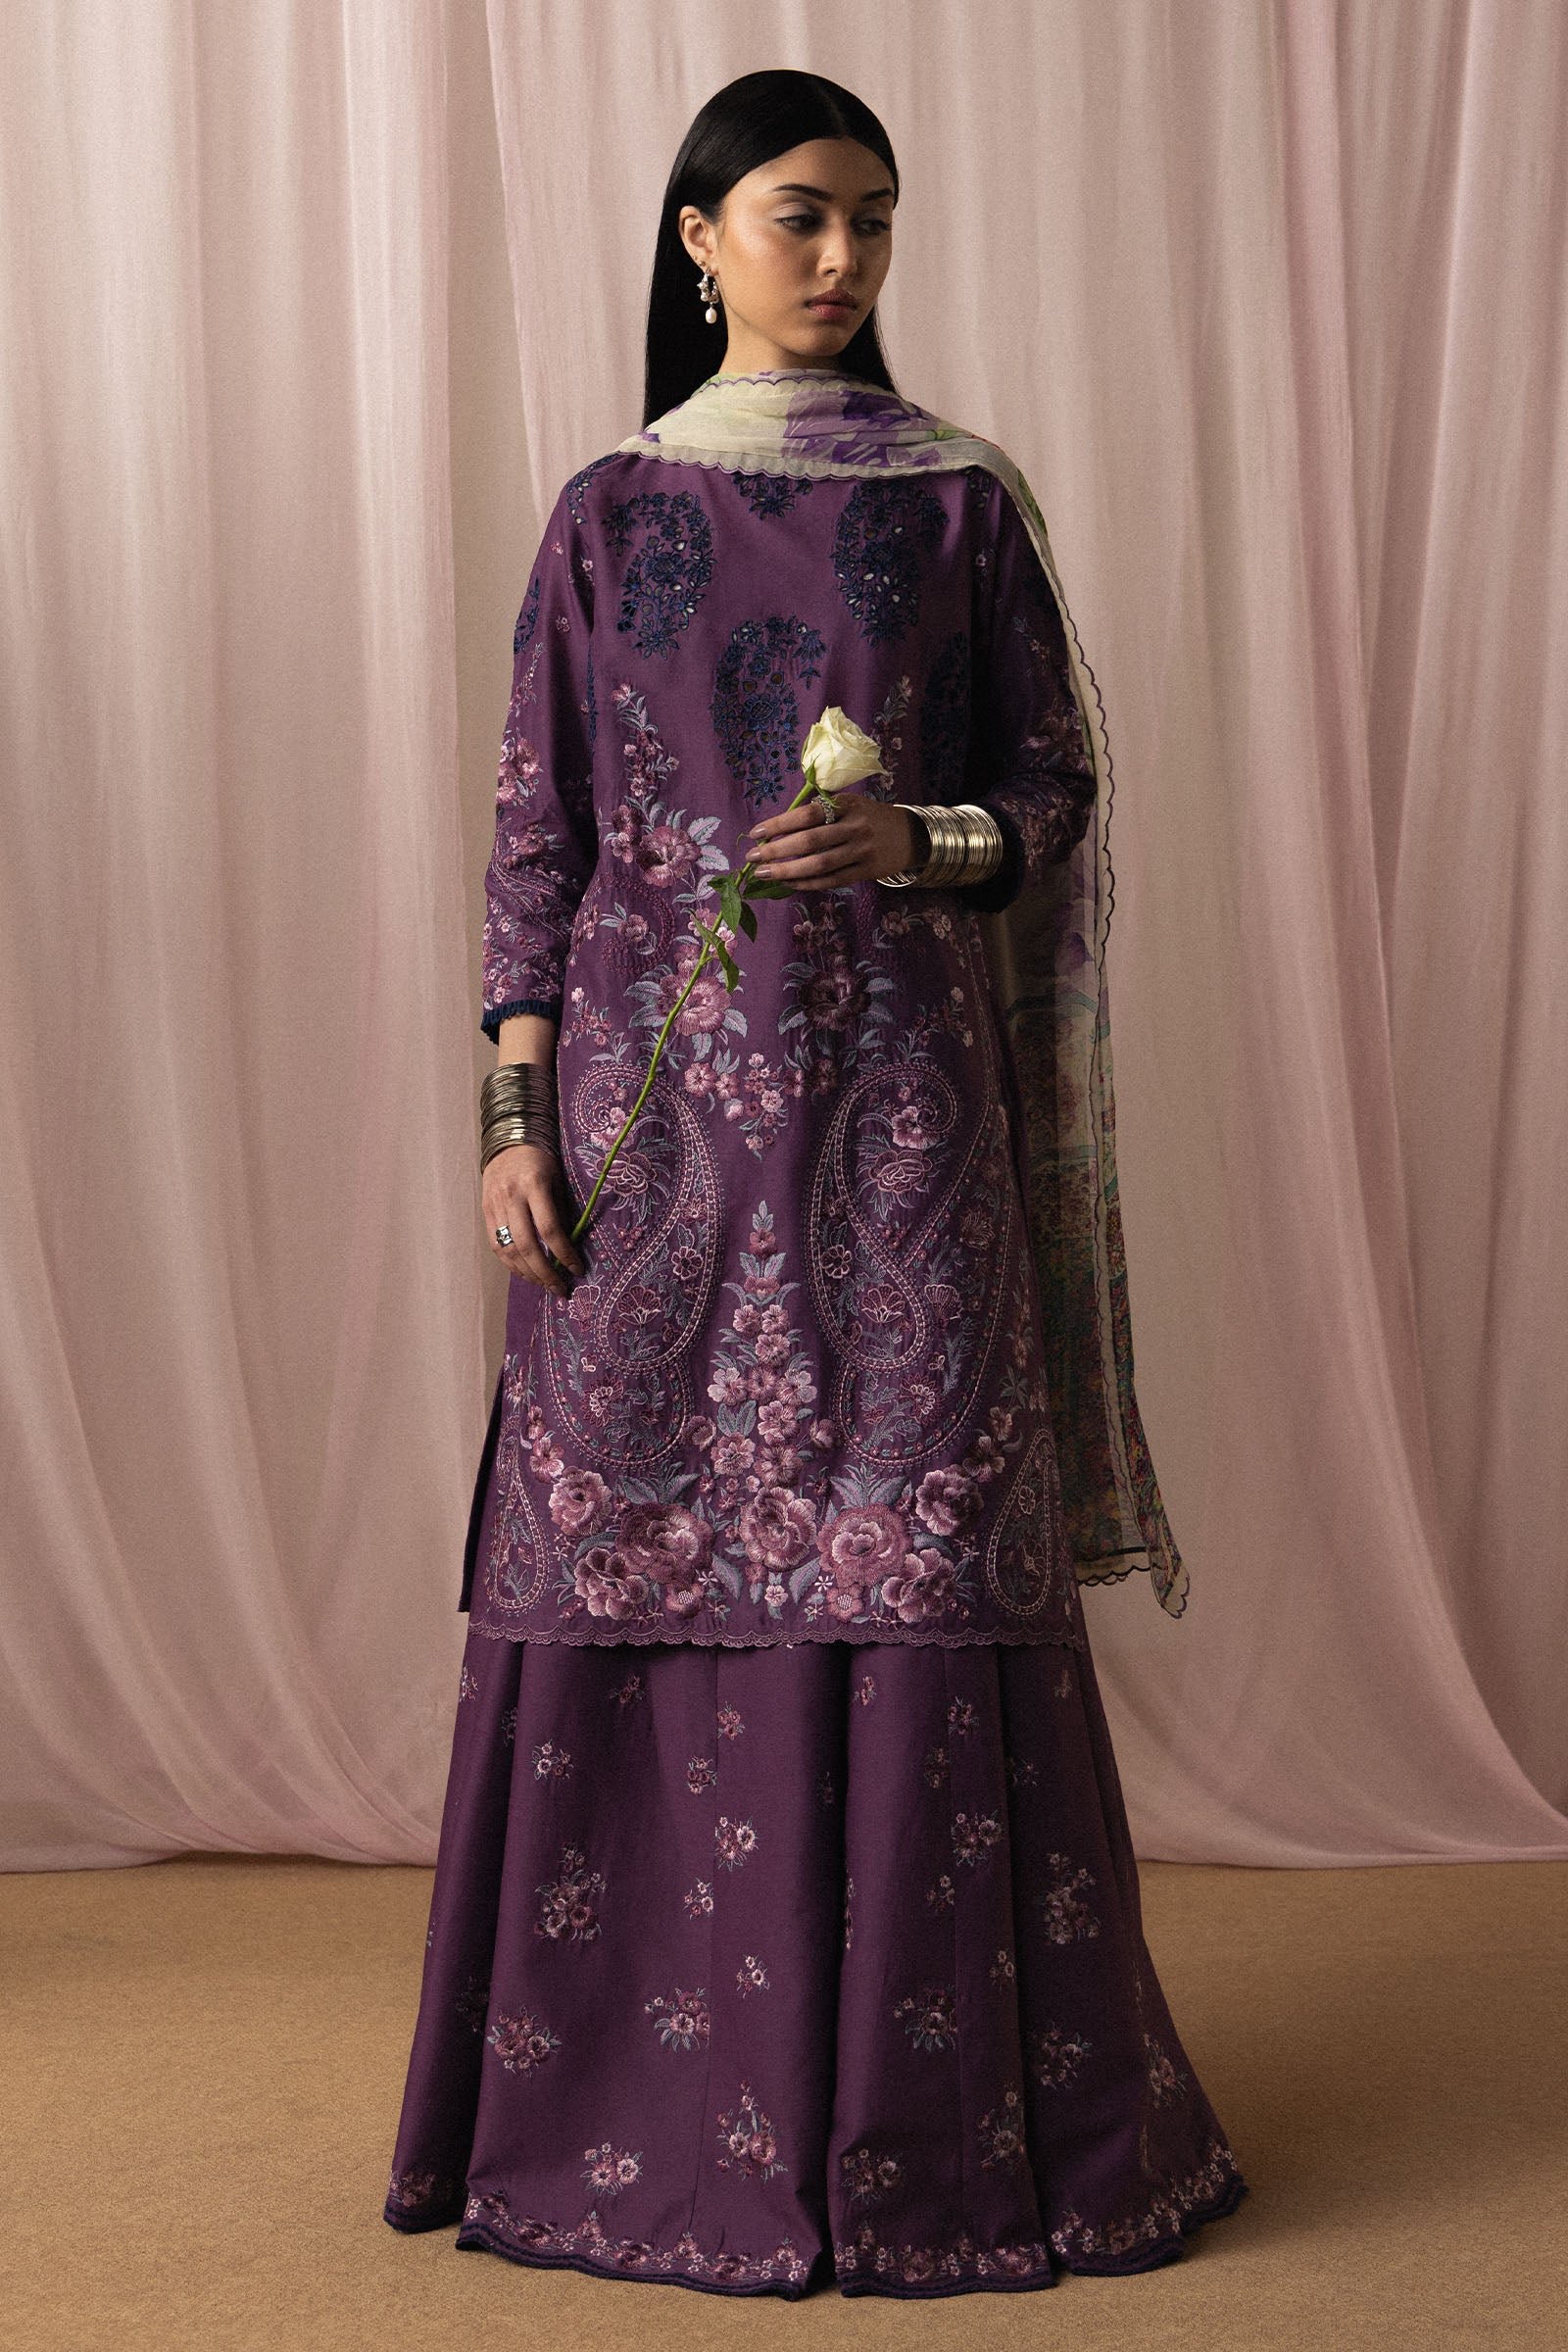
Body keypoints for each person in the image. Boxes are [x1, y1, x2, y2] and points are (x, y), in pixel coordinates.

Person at [383, 68, 1248, 2298]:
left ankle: (920, 2147)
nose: (844, 256)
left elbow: (1050, 789)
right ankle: (614, 2127)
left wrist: (919, 840)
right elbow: (539, 840)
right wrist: (510, 1121)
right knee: (632, 1556)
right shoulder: (607, 512)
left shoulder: (958, 504)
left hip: (898, 1138)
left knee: (912, 1562)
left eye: (873, 215)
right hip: (649, 1141)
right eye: (798, 214)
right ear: (699, 239)